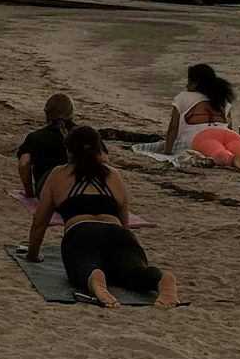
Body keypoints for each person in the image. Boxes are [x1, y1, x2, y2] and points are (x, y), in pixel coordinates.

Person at [26, 125, 177, 309]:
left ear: (68, 152)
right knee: (134, 270)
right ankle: (159, 278)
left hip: (82, 233)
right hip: (118, 235)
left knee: (83, 265)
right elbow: (124, 223)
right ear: (99, 149)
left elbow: (40, 222)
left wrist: (32, 255)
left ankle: (94, 277)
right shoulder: (113, 175)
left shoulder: (58, 174)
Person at [163, 63, 240, 173]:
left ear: (194, 84)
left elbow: (173, 127)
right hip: (229, 135)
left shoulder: (183, 97)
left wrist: (167, 151)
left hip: (203, 136)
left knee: (217, 153)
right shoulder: (222, 99)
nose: (186, 85)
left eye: (188, 81)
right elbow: (229, 126)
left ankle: (231, 159)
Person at [17, 93, 75, 196]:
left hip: (47, 191)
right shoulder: (88, 134)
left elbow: (24, 163)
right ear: (72, 113)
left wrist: (29, 192)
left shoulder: (35, 137)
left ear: (47, 114)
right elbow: (103, 161)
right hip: (79, 190)